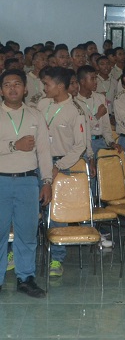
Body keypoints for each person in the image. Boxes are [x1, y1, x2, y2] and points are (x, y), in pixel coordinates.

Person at [0, 69, 53, 298]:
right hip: (1, 180)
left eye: (17, 84)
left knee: (27, 234)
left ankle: (26, 278)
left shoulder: (34, 115)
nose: (13, 88)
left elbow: (44, 150)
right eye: (8, 84)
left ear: (25, 88)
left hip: (28, 181)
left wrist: (47, 181)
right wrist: (14, 146)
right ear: (1, 90)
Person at [37, 67, 89, 278]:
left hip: (61, 164)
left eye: (47, 84)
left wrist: (59, 166)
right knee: (32, 211)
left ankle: (57, 259)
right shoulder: (42, 104)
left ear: (59, 86)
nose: (44, 88)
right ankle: (17, 253)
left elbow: (80, 145)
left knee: (58, 214)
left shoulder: (76, 111)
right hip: (39, 162)